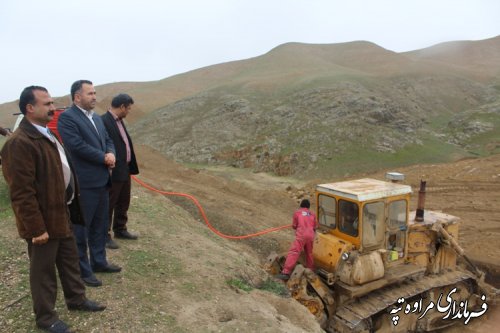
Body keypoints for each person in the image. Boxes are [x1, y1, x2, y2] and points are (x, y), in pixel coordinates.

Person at [1, 86, 106, 333]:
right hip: (42, 220)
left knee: (69, 261)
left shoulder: (47, 133)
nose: (52, 107)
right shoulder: (19, 143)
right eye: (47, 104)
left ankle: (77, 300)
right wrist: (36, 229)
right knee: (43, 272)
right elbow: (21, 193)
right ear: (30, 108)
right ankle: (46, 318)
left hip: (62, 212)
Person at [58, 80, 121, 288]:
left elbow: (108, 139)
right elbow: (76, 146)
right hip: (84, 183)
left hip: (102, 181)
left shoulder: (96, 118)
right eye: (90, 93)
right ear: (77, 97)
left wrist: (111, 152)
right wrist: (103, 157)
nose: (94, 97)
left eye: (95, 93)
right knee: (81, 229)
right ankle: (82, 271)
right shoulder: (68, 118)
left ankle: (99, 261)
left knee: (99, 225)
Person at [101, 94, 140, 249]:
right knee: (109, 203)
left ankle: (120, 229)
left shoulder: (120, 122)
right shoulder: (103, 121)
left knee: (124, 201)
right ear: (122, 106)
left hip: (124, 169)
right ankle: (104, 235)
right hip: (113, 170)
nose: (129, 111)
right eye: (128, 108)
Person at [276, 199, 318, 280]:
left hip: (301, 235)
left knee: (294, 251)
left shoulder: (297, 212)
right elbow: (315, 227)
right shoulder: (313, 214)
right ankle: (310, 271)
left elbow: (294, 226)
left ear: (301, 205)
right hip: (311, 235)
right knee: (309, 253)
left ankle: (286, 272)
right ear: (308, 207)